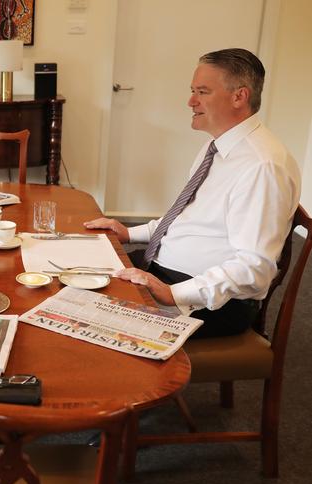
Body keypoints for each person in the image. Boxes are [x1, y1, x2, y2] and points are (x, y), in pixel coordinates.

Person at [84, 48, 301, 339]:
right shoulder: (216, 148)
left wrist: (172, 294)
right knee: (74, 277)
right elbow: (189, 219)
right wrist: (130, 233)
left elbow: (254, 268)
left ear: (239, 96)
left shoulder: (262, 166)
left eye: (202, 92)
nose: (191, 101)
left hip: (212, 300)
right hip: (165, 269)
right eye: (192, 91)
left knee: (89, 321)